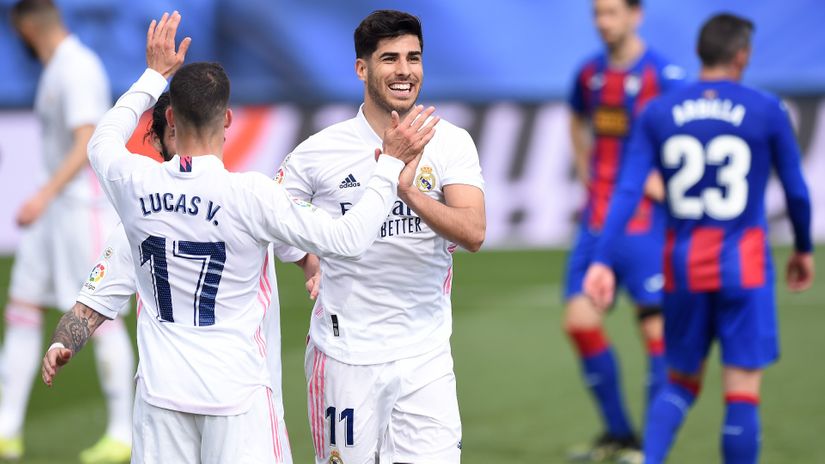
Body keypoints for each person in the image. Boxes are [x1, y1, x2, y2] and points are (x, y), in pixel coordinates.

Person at [42, 11, 435, 462]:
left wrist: (152, 74)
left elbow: (102, 141)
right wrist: (388, 165)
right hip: (237, 397)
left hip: (160, 399)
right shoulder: (252, 195)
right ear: (228, 118)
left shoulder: (134, 188)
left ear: (170, 117)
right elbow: (348, 238)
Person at [584, 13, 815, 464]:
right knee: (742, 391)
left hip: (683, 265)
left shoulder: (659, 112)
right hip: (743, 267)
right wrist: (803, 249)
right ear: (742, 55)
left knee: (679, 381)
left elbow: (628, 191)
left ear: (700, 53)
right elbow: (797, 194)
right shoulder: (766, 108)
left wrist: (601, 259)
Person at [42, 91, 320, 462]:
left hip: (186, 401)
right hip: (225, 400)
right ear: (157, 140)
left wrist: (316, 270)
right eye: (175, 132)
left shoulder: (145, 216)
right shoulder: (248, 199)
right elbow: (89, 307)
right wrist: (62, 343)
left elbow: (307, 253)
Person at [276, 10, 486, 463]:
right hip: (345, 354)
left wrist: (408, 191)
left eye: (414, 57)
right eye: (389, 58)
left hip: (425, 353)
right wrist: (310, 262)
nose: (404, 70)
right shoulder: (318, 151)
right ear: (361, 68)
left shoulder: (451, 142)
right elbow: (274, 222)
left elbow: (473, 232)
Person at [4, 1, 134, 461]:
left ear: (25, 28)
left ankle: (123, 432)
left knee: (98, 315)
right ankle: (7, 428)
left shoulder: (77, 68)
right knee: (21, 309)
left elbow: (87, 143)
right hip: (53, 213)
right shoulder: (58, 66)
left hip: (80, 209)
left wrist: (43, 195)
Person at [562, 0, 685, 460]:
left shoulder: (665, 76)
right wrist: (585, 169)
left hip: (645, 225)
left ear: (637, 14)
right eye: (597, 13)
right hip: (598, 221)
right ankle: (620, 435)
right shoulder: (589, 74)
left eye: (612, 12)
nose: (603, 22)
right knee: (579, 322)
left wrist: (664, 181)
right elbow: (575, 117)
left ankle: (650, 449)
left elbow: (688, 137)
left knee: (656, 335)